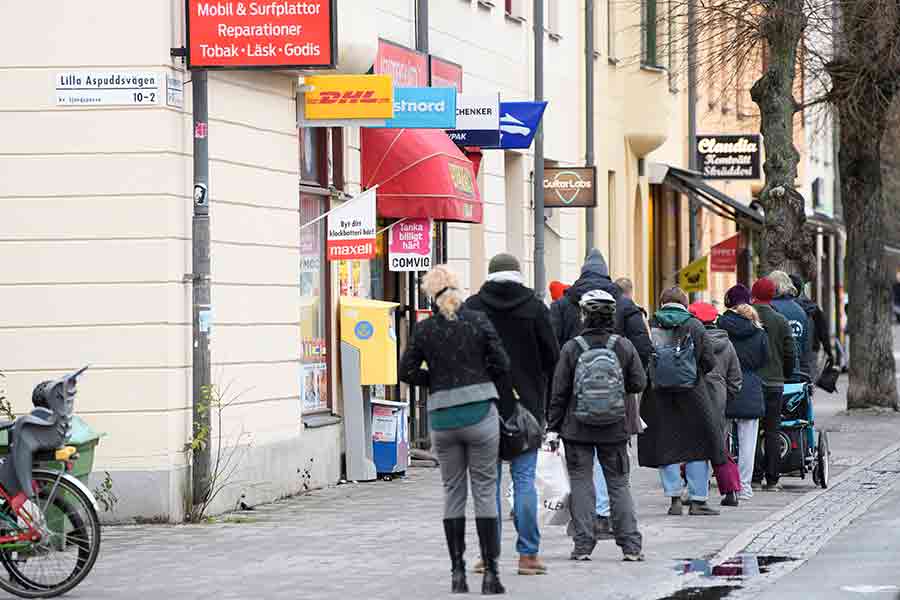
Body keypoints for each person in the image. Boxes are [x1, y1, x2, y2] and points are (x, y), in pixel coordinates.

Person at [399, 266, 510, 595]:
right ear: (457, 289)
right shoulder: (477, 321)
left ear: (429, 295)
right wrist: (480, 377)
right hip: (480, 415)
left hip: (442, 420)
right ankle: (491, 575)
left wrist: (433, 381)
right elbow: (502, 364)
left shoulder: (425, 330)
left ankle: (458, 573)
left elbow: (406, 371)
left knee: (454, 493)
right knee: (485, 491)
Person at [465, 253, 560, 576]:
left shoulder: (473, 307)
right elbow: (553, 358)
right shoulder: (534, 308)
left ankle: (488, 557)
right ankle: (528, 557)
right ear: (518, 275)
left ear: (490, 274)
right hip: (526, 409)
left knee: (486, 484)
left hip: (481, 406)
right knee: (524, 482)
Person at [550, 249, 652, 539]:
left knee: (581, 477)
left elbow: (549, 356)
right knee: (618, 479)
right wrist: (620, 385)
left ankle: (583, 541)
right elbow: (643, 358)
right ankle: (627, 540)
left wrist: (552, 423)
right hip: (615, 414)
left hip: (574, 412)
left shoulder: (561, 308)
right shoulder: (624, 308)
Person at [638, 287, 725, 516]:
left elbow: (645, 355)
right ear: (684, 303)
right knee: (698, 443)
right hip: (692, 393)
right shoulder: (694, 325)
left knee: (665, 443)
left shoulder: (652, 324)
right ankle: (698, 500)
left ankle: (674, 499)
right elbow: (708, 361)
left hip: (658, 394)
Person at [688, 301, 742, 507]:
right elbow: (736, 379)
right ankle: (731, 491)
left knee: (692, 446)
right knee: (719, 445)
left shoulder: (691, 341)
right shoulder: (727, 344)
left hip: (695, 395)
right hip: (719, 398)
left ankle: (694, 492)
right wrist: (725, 396)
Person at [719, 285, 769, 501]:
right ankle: (745, 487)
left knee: (721, 441)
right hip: (750, 387)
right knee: (748, 443)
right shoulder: (759, 332)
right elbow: (764, 361)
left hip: (725, 389)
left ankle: (727, 484)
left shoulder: (720, 328)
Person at [752, 277, 797, 492]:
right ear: (773, 296)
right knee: (772, 430)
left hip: (752, 382)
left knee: (750, 429)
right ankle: (772, 479)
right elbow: (790, 353)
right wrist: (785, 375)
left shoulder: (746, 318)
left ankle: (753, 476)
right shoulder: (781, 321)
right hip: (774, 383)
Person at [789, 273, 834, 380]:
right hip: (811, 352)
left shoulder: (785, 308)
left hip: (790, 351)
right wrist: (829, 352)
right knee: (808, 381)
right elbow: (823, 332)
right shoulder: (813, 308)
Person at [768, 270, 808, 379]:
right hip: (795, 371)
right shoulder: (800, 311)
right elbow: (805, 345)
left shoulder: (769, 309)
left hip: (773, 373)